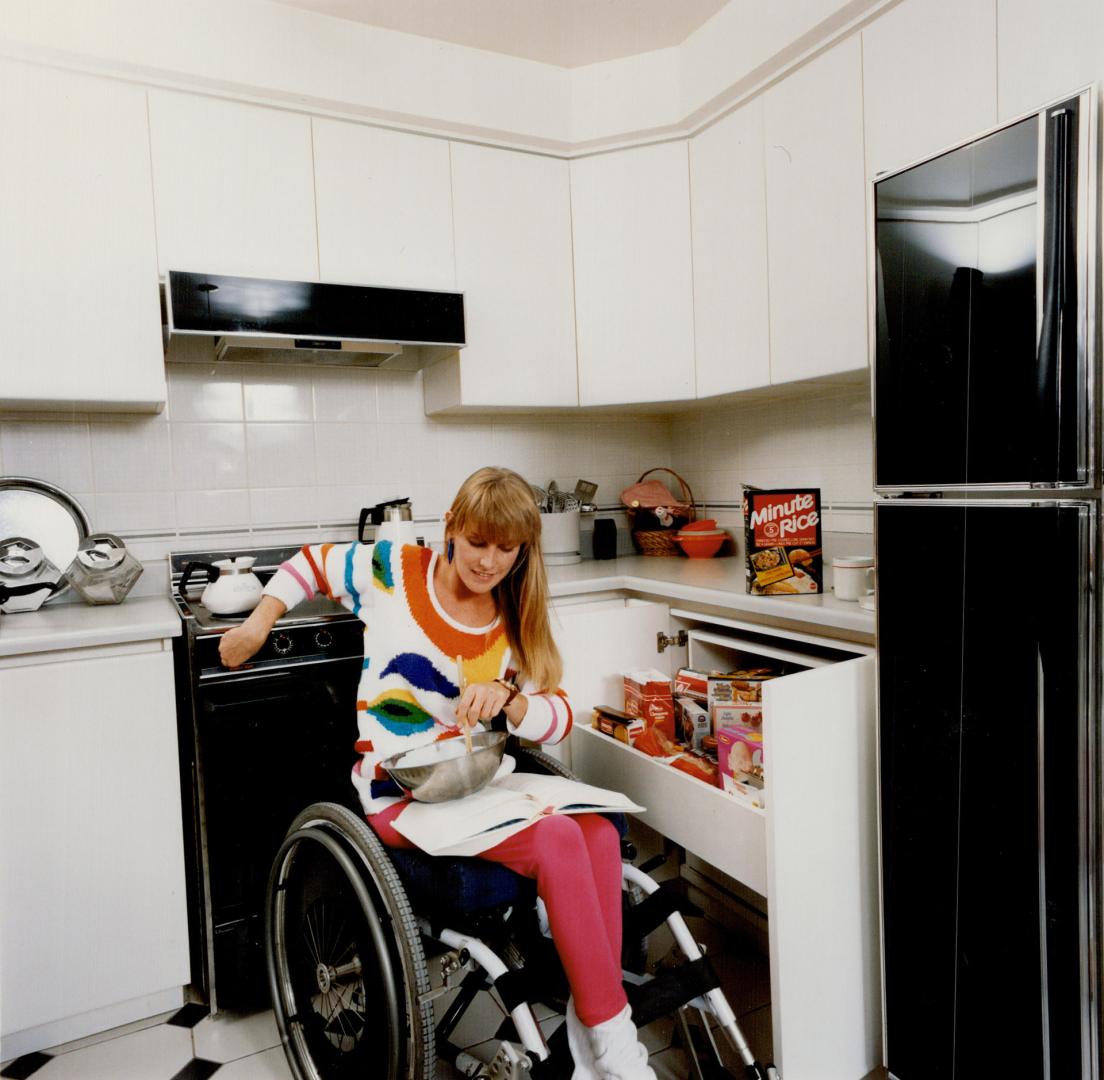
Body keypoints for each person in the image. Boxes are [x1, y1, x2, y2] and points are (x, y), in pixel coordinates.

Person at [219, 466, 655, 1080]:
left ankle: (597, 1039)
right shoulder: (394, 570)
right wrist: (258, 621)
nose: (490, 562)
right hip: (401, 794)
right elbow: (310, 564)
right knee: (560, 838)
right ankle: (617, 1054)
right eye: (479, 542)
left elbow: (557, 717)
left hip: (480, 787)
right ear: (451, 527)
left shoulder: (514, 609)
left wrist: (510, 702)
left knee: (602, 833)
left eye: (507, 549)